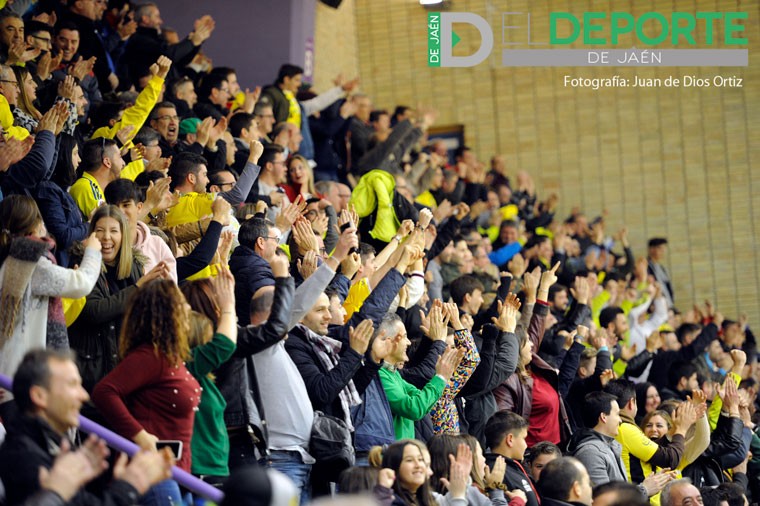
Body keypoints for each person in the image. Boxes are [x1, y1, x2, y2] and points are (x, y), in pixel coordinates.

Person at [0, 349, 173, 506]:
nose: (84, 395)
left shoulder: (48, 446)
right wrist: (129, 485)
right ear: (39, 396)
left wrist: (122, 486)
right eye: (72, 384)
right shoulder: (24, 456)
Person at [92, 279, 201, 504]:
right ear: (166, 313)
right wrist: (139, 435)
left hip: (178, 473)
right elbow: (104, 391)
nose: (188, 309)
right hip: (154, 474)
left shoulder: (171, 357)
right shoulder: (151, 356)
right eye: (182, 304)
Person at [0, 196, 101, 418]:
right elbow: (82, 283)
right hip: (25, 383)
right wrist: (93, 251)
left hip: (9, 378)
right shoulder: (31, 261)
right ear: (35, 223)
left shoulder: (6, 260)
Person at [68, 205, 171, 393]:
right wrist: (139, 287)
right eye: (99, 230)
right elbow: (95, 311)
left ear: (123, 235)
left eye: (113, 231)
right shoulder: (80, 264)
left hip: (127, 370)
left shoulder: (135, 266)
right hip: (92, 369)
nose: (106, 237)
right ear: (92, 236)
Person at [185, 268, 238, 482]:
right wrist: (228, 306)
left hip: (213, 470)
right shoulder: (186, 363)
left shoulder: (196, 367)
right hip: (199, 474)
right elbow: (225, 343)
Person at [566, 392, 628, 487]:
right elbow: (602, 497)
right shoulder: (590, 452)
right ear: (603, 417)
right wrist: (644, 490)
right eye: (617, 414)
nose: (620, 420)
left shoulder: (611, 445)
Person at [484, 411, 540, 506]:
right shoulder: (496, 472)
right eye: (523, 438)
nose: (526, 445)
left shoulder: (512, 466)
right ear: (510, 439)